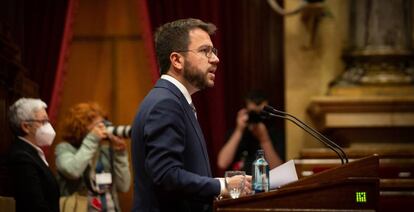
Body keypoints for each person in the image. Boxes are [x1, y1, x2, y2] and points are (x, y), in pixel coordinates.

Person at [131, 18, 251, 212]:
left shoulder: (172, 99)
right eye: (205, 51)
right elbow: (166, 175)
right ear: (177, 60)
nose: (215, 59)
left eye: (214, 51)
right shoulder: (166, 103)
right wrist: (223, 186)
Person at [55, 102, 131, 212]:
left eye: (103, 124)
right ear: (80, 127)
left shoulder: (105, 152)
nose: (102, 129)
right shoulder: (64, 149)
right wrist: (92, 139)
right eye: (98, 126)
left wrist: (120, 154)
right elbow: (72, 171)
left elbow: (123, 187)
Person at [7, 97, 60, 212]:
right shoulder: (21, 157)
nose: (48, 126)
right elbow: (35, 207)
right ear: (26, 127)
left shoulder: (31, 152)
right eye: (43, 121)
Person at [217, 90, 285, 174]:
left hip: (265, 183)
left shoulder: (275, 133)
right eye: (253, 113)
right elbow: (222, 163)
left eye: (260, 114)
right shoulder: (236, 133)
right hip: (239, 183)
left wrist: (265, 140)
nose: (256, 117)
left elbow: (279, 170)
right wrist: (239, 130)